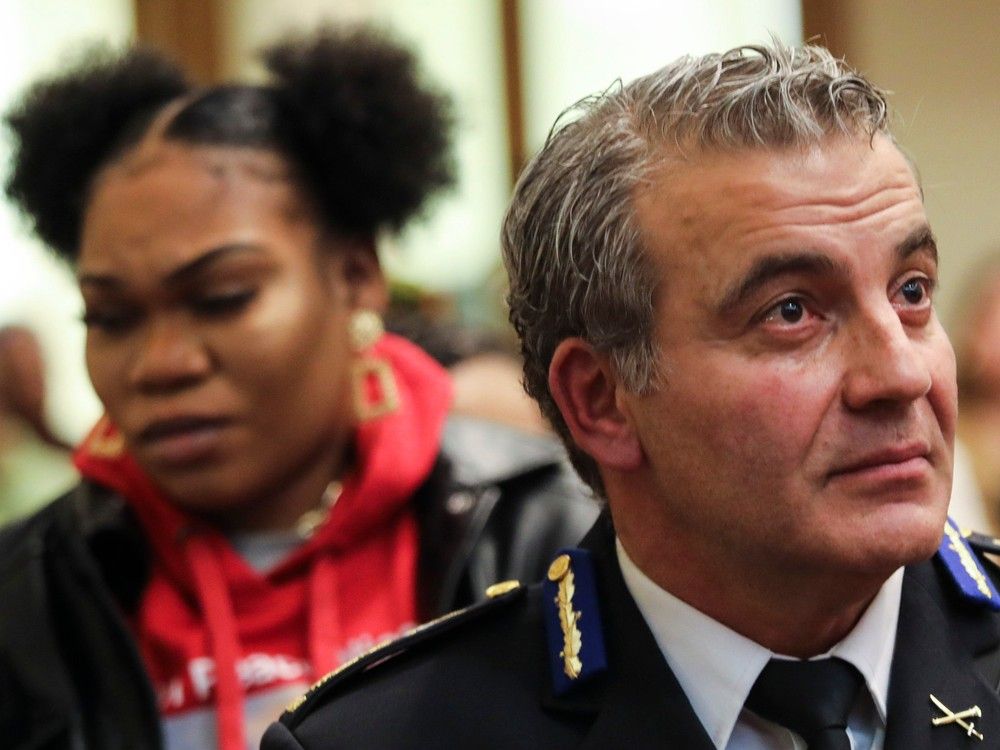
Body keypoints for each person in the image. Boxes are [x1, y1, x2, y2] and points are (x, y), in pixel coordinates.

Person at [264, 40, 1000, 750]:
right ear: (601, 401)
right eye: (791, 312)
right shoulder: (393, 736)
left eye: (911, 292)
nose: (901, 376)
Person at [0, 28, 595, 750]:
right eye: (112, 316)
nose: (161, 363)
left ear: (354, 276)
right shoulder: (28, 596)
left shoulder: (554, 535)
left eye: (223, 297)